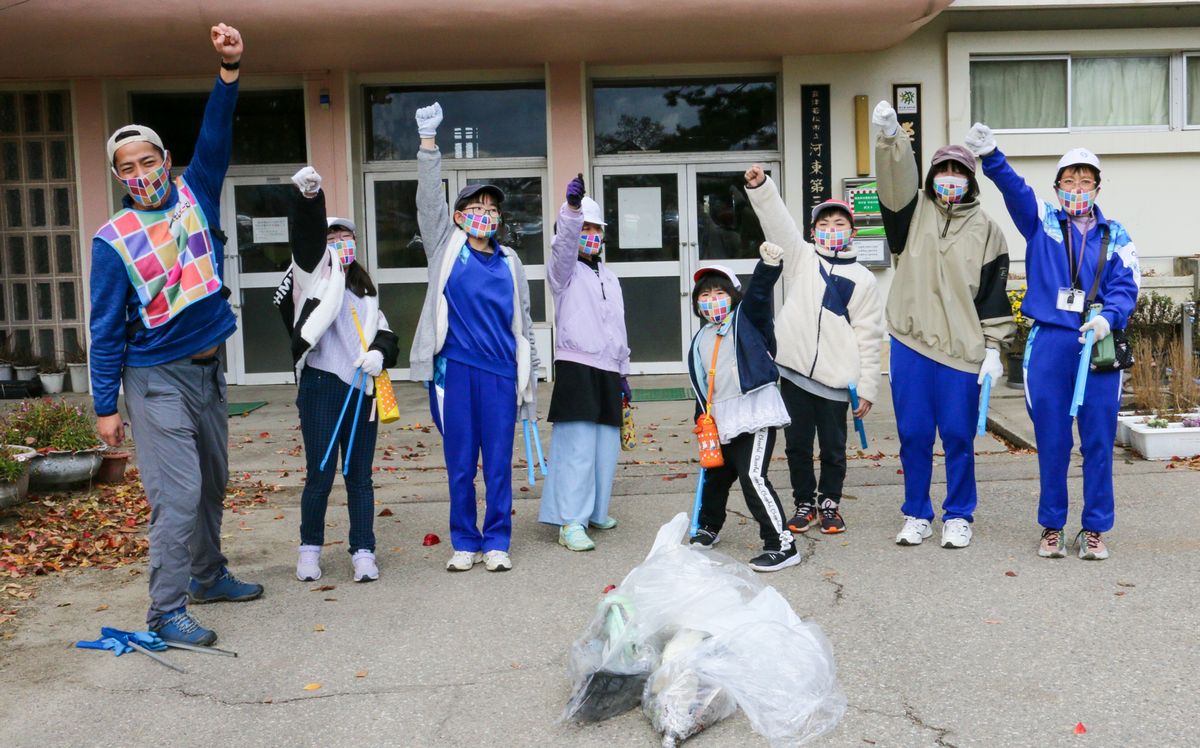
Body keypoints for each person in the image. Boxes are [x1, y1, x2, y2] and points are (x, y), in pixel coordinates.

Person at [88, 23, 260, 646]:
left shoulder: (197, 194)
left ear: (165, 160)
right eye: (126, 167)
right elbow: (104, 329)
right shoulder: (112, 242)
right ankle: (165, 611)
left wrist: (228, 72)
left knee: (212, 485)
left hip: (209, 372)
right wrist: (105, 407)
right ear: (118, 177)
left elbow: (215, 132)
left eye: (148, 160)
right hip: (154, 379)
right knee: (179, 495)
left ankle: (208, 576)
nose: (140, 173)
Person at [966, 124, 1139, 560]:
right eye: (1069, 180)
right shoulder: (1042, 221)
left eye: (1085, 181)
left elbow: (1126, 285)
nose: (1077, 188)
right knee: (1054, 440)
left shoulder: (1115, 234)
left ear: (1097, 187)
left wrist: (1109, 318)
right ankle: (1052, 526)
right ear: (1058, 185)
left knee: (1098, 440)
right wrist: (992, 155)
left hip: (1098, 344)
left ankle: (1095, 528)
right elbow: (1014, 190)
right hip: (1050, 345)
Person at [873, 100, 1015, 550]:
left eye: (958, 171)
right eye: (942, 170)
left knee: (957, 436)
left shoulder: (989, 230)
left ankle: (959, 514)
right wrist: (893, 139)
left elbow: (993, 294)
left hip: (962, 352)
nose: (949, 178)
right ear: (932, 177)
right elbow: (896, 182)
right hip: (911, 343)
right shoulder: (910, 213)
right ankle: (917, 513)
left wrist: (993, 347)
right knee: (913, 435)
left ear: (970, 179)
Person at [408, 103, 539, 573]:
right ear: (459, 215)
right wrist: (428, 144)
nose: (485, 214)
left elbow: (523, 324)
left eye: (492, 208)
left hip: (501, 375)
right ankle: (465, 541)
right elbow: (428, 202)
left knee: (499, 465)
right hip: (455, 373)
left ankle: (497, 540)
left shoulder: (510, 263)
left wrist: (530, 381)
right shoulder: (446, 248)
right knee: (462, 465)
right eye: (476, 207)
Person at [743, 165, 885, 535]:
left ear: (852, 231)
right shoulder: (802, 259)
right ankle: (804, 502)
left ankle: (830, 503)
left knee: (834, 448)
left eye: (840, 224)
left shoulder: (864, 279)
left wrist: (867, 387)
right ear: (813, 231)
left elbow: (870, 335)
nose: (832, 230)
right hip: (793, 373)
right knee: (798, 447)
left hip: (838, 381)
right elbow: (778, 225)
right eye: (825, 224)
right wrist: (761, 187)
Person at [276, 166, 399, 582]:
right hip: (322, 387)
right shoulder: (311, 279)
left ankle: (363, 551)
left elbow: (384, 330)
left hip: (362, 389)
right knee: (320, 475)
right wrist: (309, 200)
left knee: (359, 477)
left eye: (346, 237)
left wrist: (380, 354)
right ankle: (309, 549)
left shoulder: (364, 287)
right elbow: (307, 242)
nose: (340, 243)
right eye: (332, 238)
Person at [537, 175, 631, 551]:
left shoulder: (609, 275)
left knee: (606, 446)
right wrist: (572, 211)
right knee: (576, 448)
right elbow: (563, 247)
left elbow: (619, 326)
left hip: (609, 367)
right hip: (577, 366)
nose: (591, 234)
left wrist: (624, 371)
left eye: (596, 229)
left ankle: (595, 510)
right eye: (584, 228)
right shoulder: (564, 271)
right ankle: (570, 521)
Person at [686, 256, 798, 572]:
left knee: (752, 475)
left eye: (719, 293)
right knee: (716, 474)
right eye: (704, 296)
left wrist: (769, 265)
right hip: (719, 419)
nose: (712, 300)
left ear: (734, 296)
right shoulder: (700, 339)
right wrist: (701, 419)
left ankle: (782, 544)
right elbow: (703, 385)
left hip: (755, 411)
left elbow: (760, 294)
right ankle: (709, 525)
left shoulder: (747, 320)